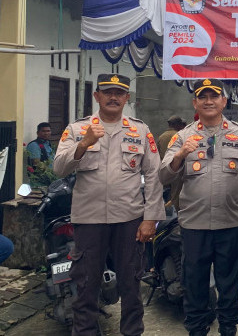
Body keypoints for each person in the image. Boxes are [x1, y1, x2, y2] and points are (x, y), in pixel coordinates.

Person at [54, 74, 165, 336]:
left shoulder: (140, 130)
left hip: (129, 220)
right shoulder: (77, 129)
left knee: (131, 284)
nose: (113, 97)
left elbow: (154, 175)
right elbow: (59, 168)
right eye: (107, 92)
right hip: (89, 219)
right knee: (85, 285)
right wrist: (84, 144)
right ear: (97, 96)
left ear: (127, 98)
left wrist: (151, 218)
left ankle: (132, 332)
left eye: (119, 93)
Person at [160, 79, 238, 336]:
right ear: (195, 103)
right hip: (194, 226)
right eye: (203, 97)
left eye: (214, 96)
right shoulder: (182, 136)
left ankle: (228, 329)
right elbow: (163, 175)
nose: (209, 101)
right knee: (194, 285)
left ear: (224, 101)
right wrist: (180, 155)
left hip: (231, 224)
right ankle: (196, 330)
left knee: (230, 285)